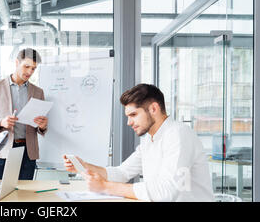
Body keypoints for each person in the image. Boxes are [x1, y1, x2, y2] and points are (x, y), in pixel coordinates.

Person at [63, 83, 214, 202]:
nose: (129, 122)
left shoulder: (179, 134)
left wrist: (106, 187)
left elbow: (166, 192)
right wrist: (84, 166)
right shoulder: (149, 140)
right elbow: (122, 173)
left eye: (133, 114)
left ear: (153, 108)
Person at [0, 48, 48, 180]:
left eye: (33, 68)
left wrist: (43, 125)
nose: (29, 72)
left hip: (28, 153)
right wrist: (0, 122)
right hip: (2, 151)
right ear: (17, 62)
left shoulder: (38, 92)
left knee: (24, 196)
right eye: (26, 66)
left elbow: (40, 126)